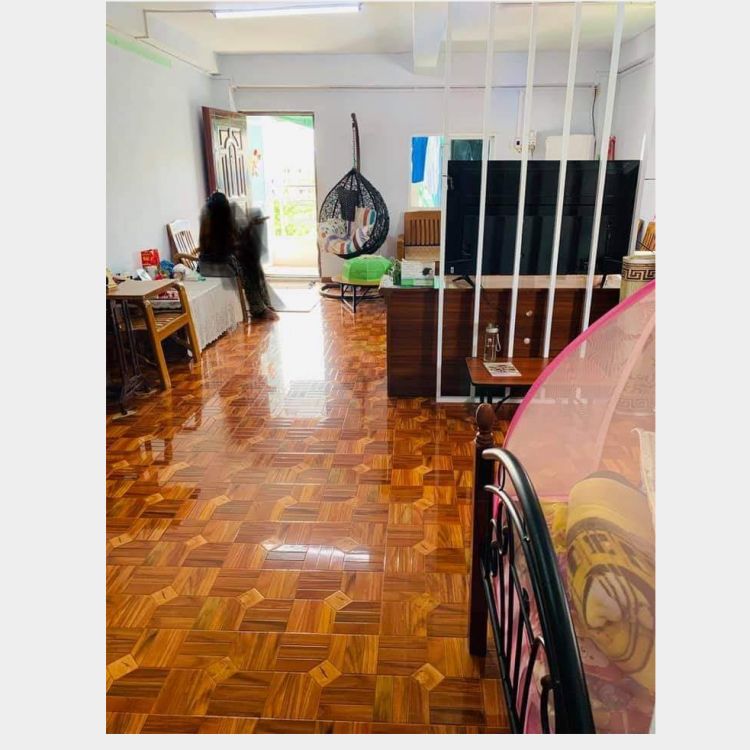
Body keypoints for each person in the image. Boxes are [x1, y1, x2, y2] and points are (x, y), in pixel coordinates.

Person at [198, 191, 278, 320]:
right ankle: (259, 308)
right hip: (212, 265)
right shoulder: (210, 221)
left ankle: (264, 305)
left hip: (218, 261)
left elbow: (233, 241)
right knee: (249, 268)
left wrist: (250, 226)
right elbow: (219, 249)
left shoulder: (214, 218)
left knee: (252, 263)